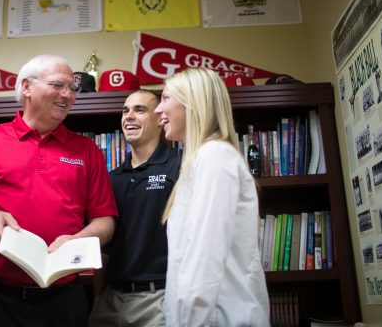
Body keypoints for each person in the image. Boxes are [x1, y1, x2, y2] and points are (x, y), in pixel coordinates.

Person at [0, 54, 117, 326]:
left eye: (73, 88)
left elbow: (104, 221)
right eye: (59, 85)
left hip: (64, 302)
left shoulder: (88, 151)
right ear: (26, 87)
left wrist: (77, 239)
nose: (68, 94)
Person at [154, 67, 270, 327]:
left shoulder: (214, 156)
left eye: (165, 98)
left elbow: (203, 261)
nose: (157, 110)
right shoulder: (199, 160)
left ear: (192, 102)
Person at [89, 90, 181, 327]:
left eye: (139, 110)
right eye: (125, 110)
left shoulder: (180, 167)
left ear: (160, 119)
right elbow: (105, 251)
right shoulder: (112, 179)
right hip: (110, 301)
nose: (129, 116)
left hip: (160, 299)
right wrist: (99, 298)